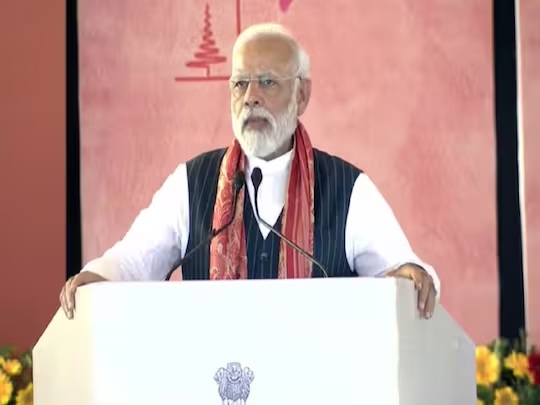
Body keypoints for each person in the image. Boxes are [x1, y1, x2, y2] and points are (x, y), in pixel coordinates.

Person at [60, 23, 440, 320]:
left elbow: (406, 274)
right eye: (240, 83)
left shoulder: (348, 188)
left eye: (268, 82)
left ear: (302, 95)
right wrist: (97, 276)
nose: (250, 98)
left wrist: (412, 275)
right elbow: (133, 261)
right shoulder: (191, 183)